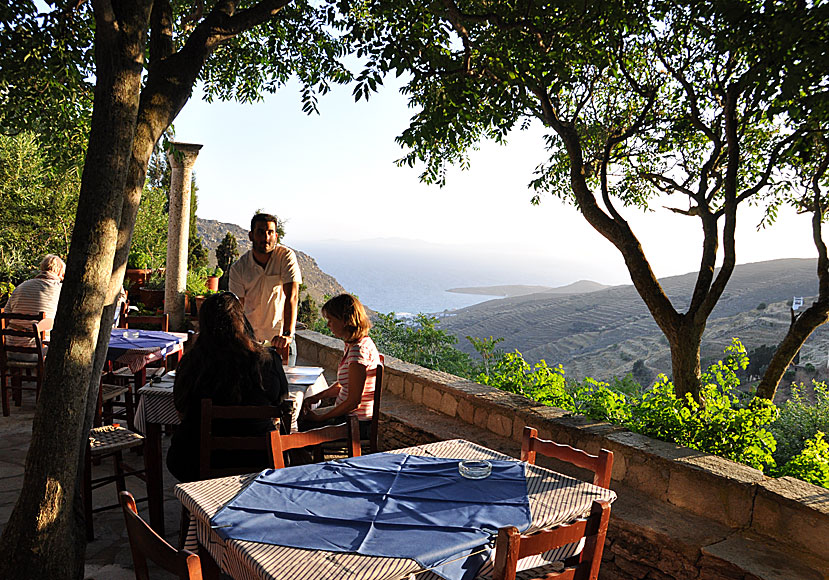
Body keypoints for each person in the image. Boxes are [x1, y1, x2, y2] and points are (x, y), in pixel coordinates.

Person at [166, 292, 289, 483]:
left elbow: (180, 409)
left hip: (193, 461)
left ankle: (198, 507)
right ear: (242, 321)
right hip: (259, 459)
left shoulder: (192, 362)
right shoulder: (268, 361)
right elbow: (278, 403)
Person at [300, 294, 380, 438]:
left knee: (298, 429)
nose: (328, 324)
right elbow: (346, 385)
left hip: (354, 424)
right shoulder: (354, 345)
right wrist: (318, 396)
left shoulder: (358, 351)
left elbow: (353, 402)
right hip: (349, 419)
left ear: (345, 320)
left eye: (331, 320)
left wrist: (320, 418)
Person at [229, 213, 302, 365]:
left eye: (270, 232)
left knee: (285, 386)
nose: (266, 238)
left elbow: (292, 297)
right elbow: (237, 308)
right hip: (250, 341)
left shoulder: (286, 257)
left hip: (280, 339)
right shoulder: (239, 268)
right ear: (251, 235)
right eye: (261, 232)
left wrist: (287, 334)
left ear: (276, 236)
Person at [4, 254, 65, 359]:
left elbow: (6, 317)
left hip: (10, 349)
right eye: (63, 275)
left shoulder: (21, 287)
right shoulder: (61, 290)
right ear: (59, 272)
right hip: (39, 352)